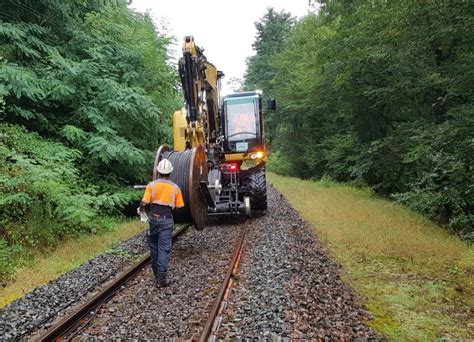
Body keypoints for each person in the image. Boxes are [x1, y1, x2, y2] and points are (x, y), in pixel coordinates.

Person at [138, 158, 184, 287]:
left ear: (158, 171)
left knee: (154, 247)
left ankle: (157, 275)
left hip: (154, 220)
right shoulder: (175, 188)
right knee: (164, 249)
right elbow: (180, 207)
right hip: (167, 220)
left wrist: (142, 210)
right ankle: (161, 280)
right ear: (170, 172)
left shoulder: (151, 185)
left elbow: (144, 203)